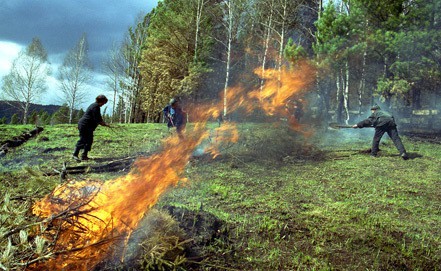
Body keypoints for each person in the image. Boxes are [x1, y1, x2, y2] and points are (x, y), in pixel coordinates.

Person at [72, 95, 110, 161]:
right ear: (101, 101)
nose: (103, 104)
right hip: (84, 125)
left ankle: (84, 156)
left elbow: (99, 118)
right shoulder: (95, 107)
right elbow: (97, 118)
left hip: (88, 126)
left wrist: (103, 123)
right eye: (103, 103)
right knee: (83, 140)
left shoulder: (95, 106)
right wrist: (104, 124)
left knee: (89, 141)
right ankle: (75, 154)